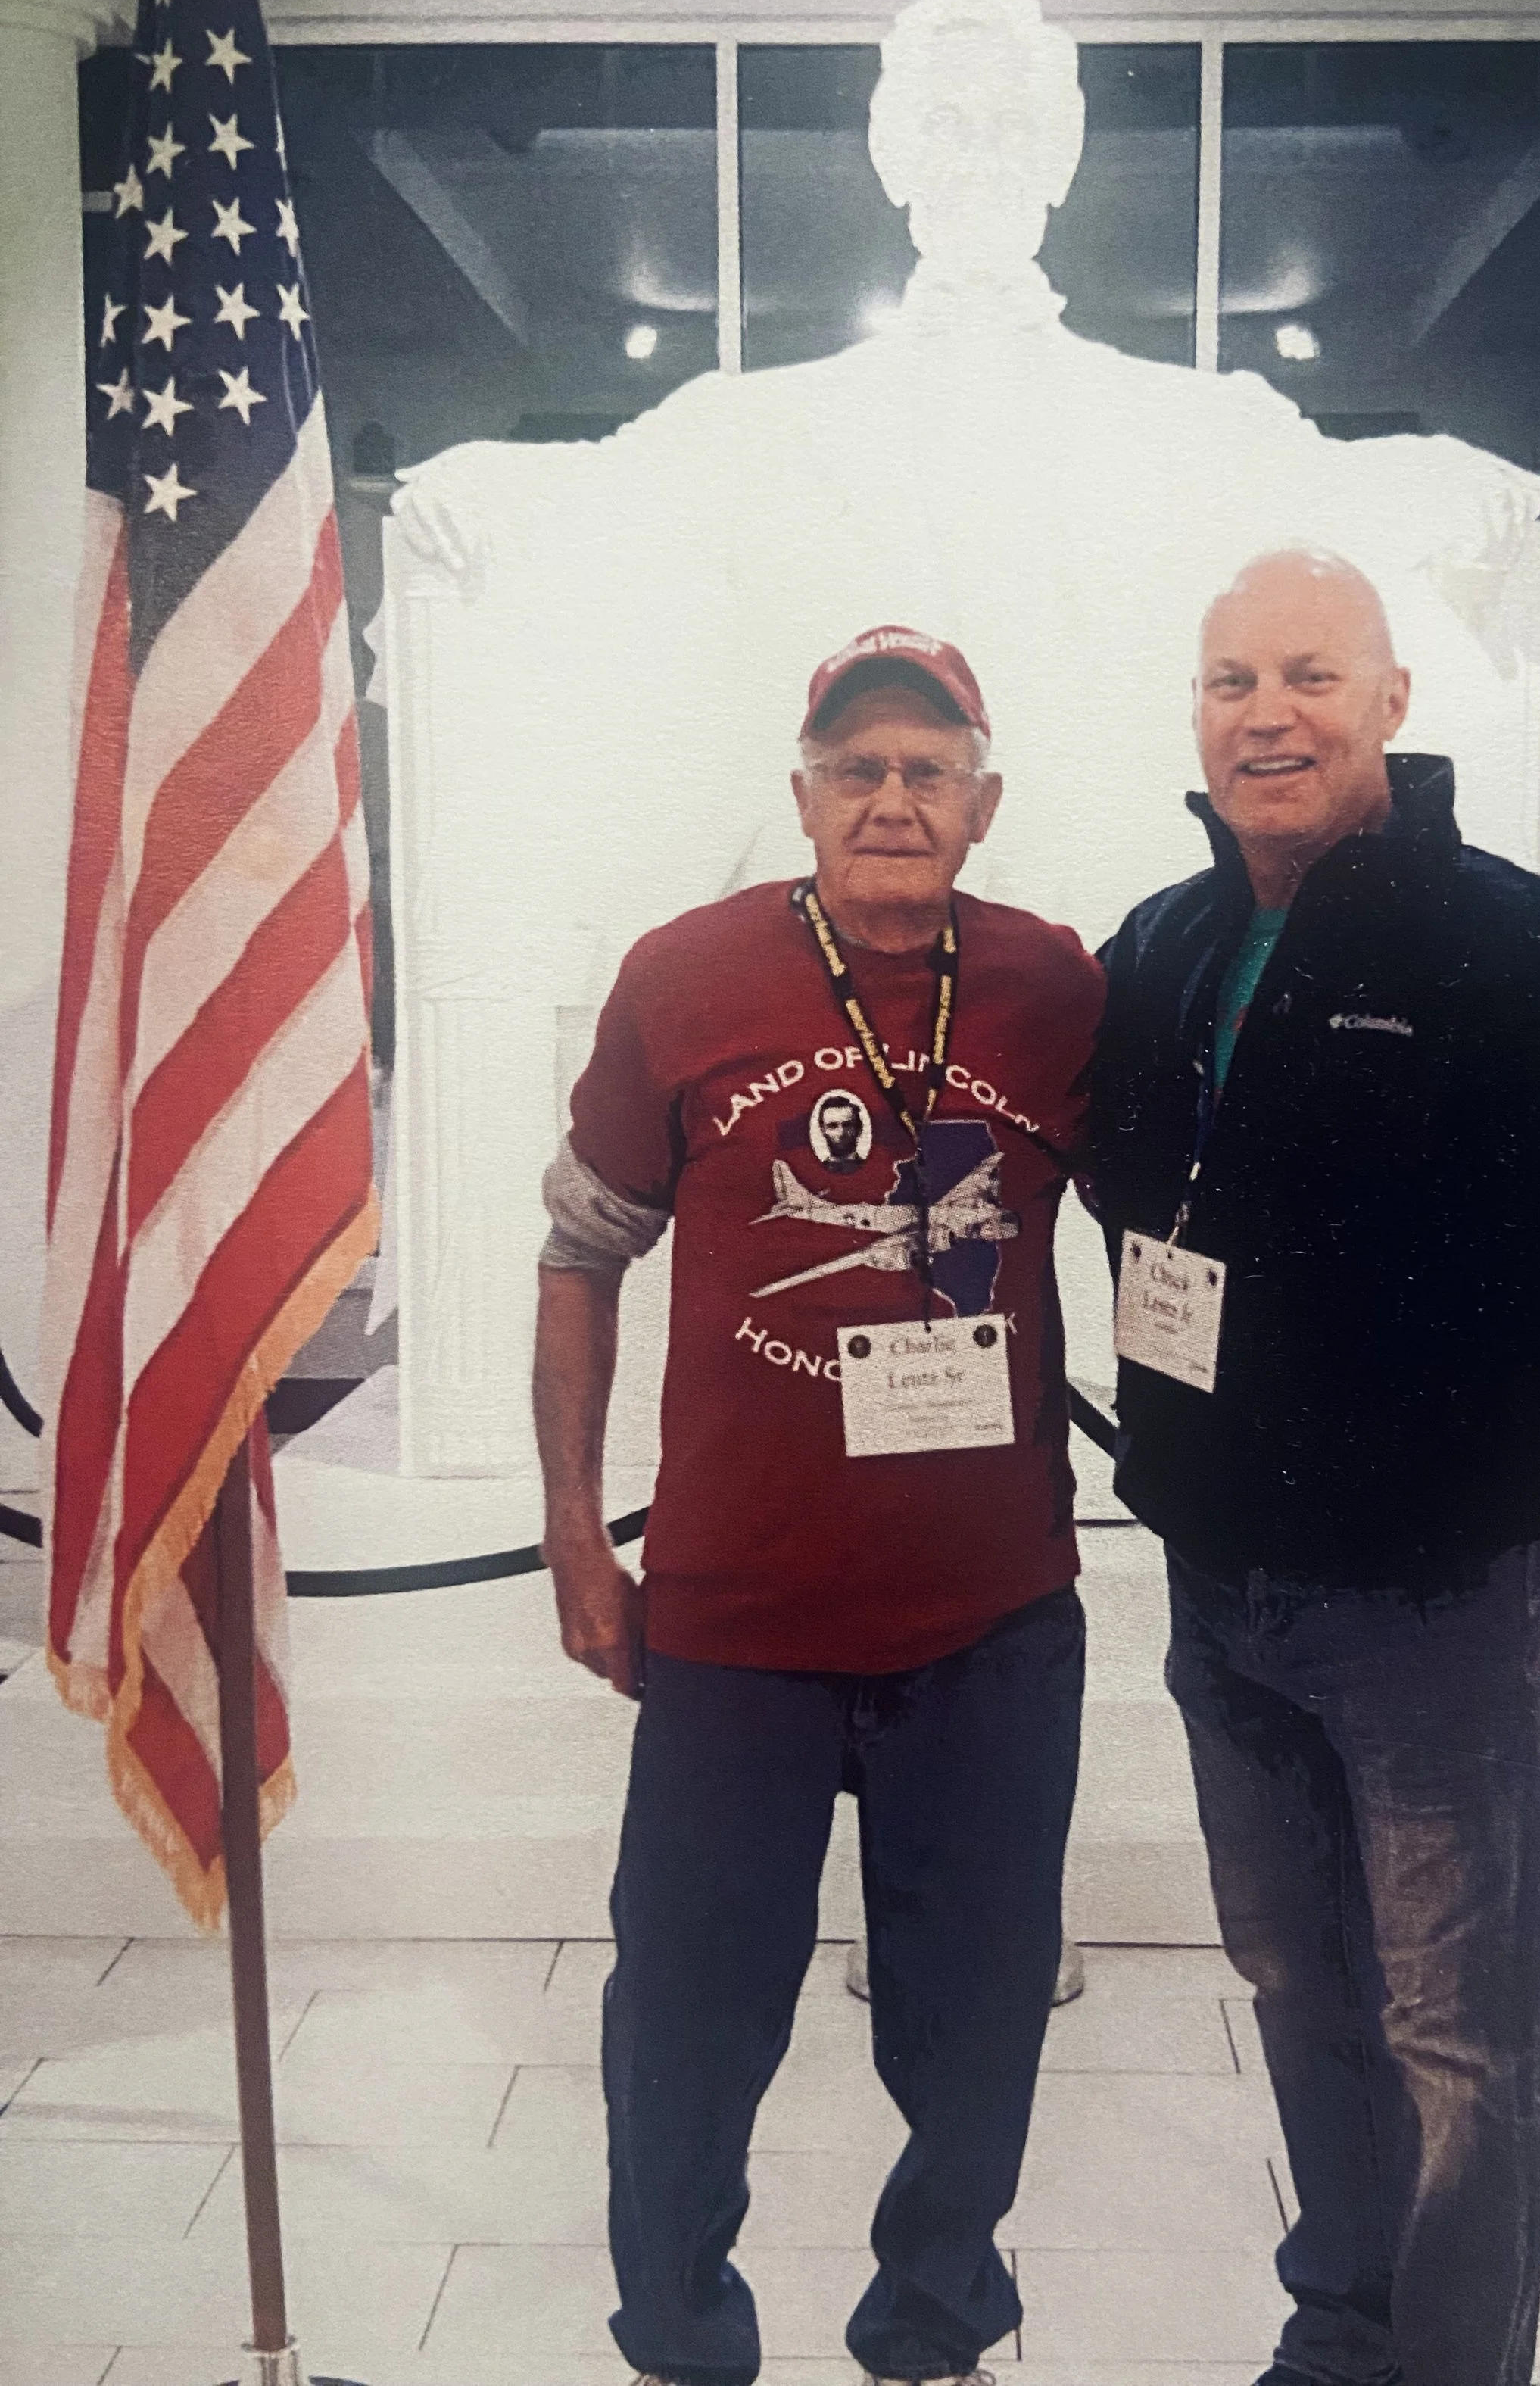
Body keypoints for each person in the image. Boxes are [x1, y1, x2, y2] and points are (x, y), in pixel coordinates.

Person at [1086, 549, 1540, 2386]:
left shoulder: (1514, 948)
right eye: (1229, 681)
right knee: (1299, 1991)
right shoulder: (1159, 945)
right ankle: (1346, 2330)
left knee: (1461, 2038)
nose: (1265, 714)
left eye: (1308, 674)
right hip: (1219, 1587)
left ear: (1390, 701)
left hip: (1435, 1599)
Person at [532, 624, 1105, 2386]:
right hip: (735, 1623)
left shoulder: (1056, 983)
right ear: (799, 794)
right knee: (686, 2030)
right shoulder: (683, 973)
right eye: (854, 768)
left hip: (989, 1624)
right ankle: (682, 2336)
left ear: (982, 799)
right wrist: (574, 1530)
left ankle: (933, 2323)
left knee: (978, 2021)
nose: (889, 799)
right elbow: (578, 1253)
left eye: (926, 768)